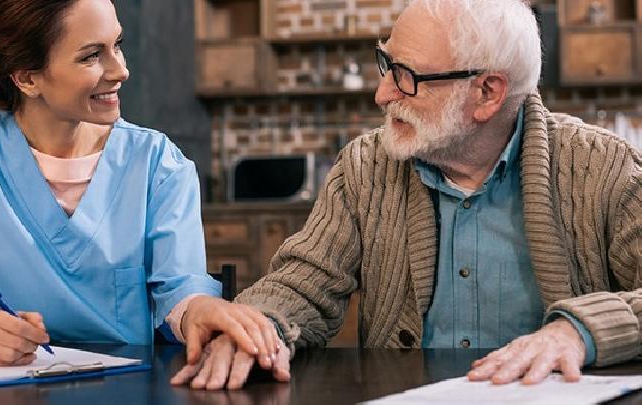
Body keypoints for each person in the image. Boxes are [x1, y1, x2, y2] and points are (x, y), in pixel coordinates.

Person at [172, 0, 642, 390]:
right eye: (386, 65)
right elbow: (303, 284)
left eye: (406, 76)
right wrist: (255, 329)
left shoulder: (604, 168)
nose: (381, 94)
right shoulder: (365, 168)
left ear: (487, 93)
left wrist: (580, 331)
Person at [0, 0, 279, 367]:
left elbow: (179, 290)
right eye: (91, 56)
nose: (121, 70)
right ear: (27, 78)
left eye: (117, 45)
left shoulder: (158, 163)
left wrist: (199, 308)